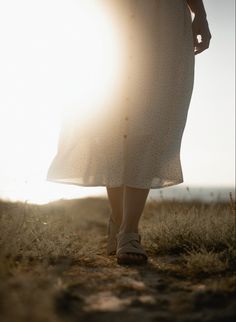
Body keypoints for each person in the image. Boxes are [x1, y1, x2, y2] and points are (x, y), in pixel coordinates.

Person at [47, 0, 212, 266]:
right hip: (112, 16)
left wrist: (200, 13)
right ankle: (120, 220)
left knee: (149, 121)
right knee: (110, 122)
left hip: (161, 19)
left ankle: (129, 231)